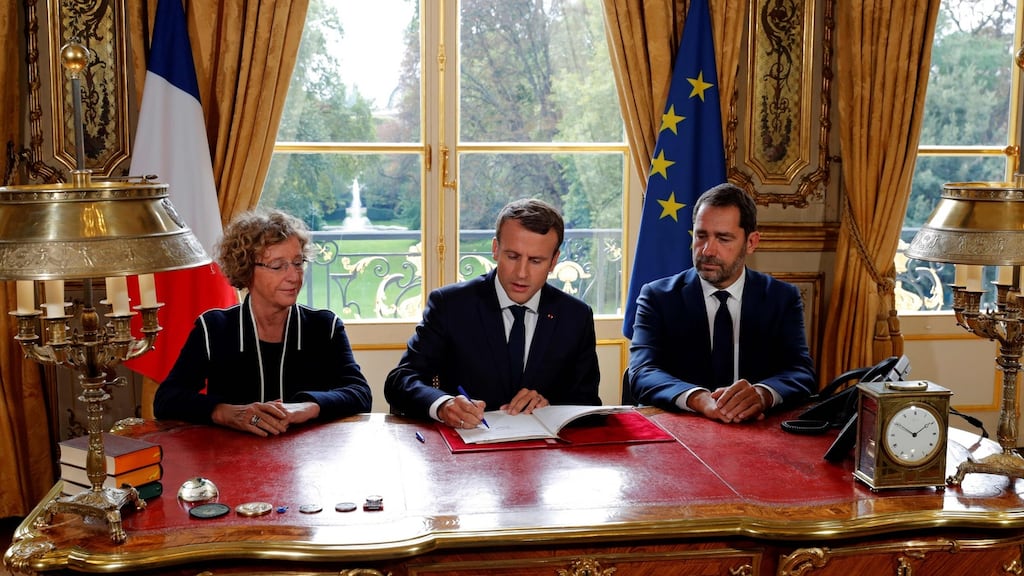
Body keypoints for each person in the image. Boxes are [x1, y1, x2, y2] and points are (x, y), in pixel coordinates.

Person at [384, 198, 601, 428]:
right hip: (468, 452)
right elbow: (401, 381)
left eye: (536, 260)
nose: (522, 273)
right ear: (495, 249)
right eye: (513, 256)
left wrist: (549, 406)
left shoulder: (576, 316)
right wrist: (444, 405)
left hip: (544, 457)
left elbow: (587, 403)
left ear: (554, 261)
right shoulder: (450, 305)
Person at [154, 209, 372, 435]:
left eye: (298, 263)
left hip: (307, 462)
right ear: (247, 270)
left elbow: (360, 393)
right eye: (278, 266)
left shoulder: (325, 326)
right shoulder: (213, 328)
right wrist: (228, 413)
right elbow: (166, 399)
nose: (294, 276)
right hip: (232, 460)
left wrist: (307, 407)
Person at [626, 183, 815, 423]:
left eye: (723, 238)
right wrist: (699, 399)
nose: (708, 250)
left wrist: (761, 395)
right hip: (683, 433)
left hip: (755, 435)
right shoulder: (658, 297)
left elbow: (800, 372)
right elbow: (643, 372)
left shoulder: (781, 297)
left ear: (751, 242)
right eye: (701, 236)